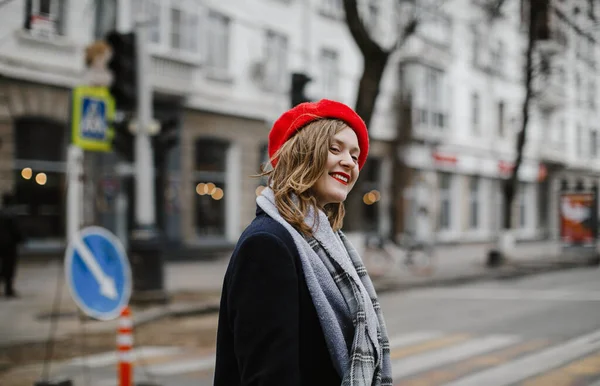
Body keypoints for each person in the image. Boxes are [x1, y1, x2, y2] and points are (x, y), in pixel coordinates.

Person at [214, 99, 392, 385]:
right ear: (301, 153)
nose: (349, 161)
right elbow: (268, 377)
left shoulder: (329, 243)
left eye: (355, 155)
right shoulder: (267, 245)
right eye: (335, 148)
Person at [0, 193, 24, 298]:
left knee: (3, 267)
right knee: (9, 267)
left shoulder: (1, 213)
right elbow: (16, 230)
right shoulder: (12, 215)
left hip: (2, 245)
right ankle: (8, 289)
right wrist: (21, 239)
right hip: (10, 245)